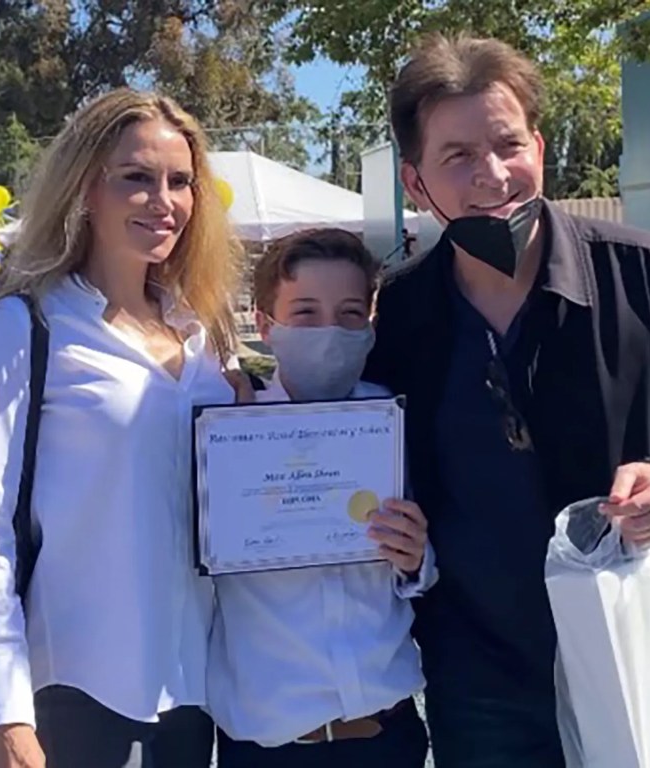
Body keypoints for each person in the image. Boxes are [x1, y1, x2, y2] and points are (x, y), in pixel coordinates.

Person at [363, 34, 650, 766]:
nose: (492, 175)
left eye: (508, 144)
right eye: (458, 156)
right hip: (480, 679)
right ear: (416, 184)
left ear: (539, 146)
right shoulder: (402, 316)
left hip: (638, 652)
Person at [0, 89, 244, 768]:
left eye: (179, 181)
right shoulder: (25, 325)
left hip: (199, 687)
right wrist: (2, 715)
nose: (162, 200)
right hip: (81, 687)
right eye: (134, 177)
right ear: (84, 186)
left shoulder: (203, 338)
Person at [210, 229, 435, 768]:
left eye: (351, 313)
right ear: (266, 324)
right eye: (305, 312)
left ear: (371, 325)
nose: (330, 331)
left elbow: (428, 568)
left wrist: (416, 560)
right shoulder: (223, 433)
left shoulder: (396, 423)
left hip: (390, 736)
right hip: (271, 747)